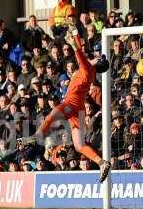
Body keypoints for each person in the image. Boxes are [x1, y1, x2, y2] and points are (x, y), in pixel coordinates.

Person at [19, 30, 111, 183]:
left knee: (50, 117)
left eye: (97, 58)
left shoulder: (87, 68)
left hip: (71, 105)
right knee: (79, 145)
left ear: (97, 63)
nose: (95, 57)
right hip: (79, 110)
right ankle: (101, 162)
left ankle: (36, 137)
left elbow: (78, 51)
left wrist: (74, 33)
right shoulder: (89, 72)